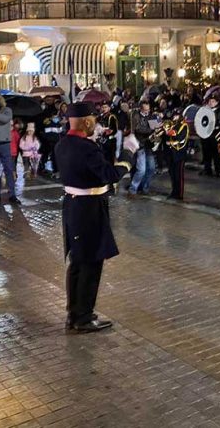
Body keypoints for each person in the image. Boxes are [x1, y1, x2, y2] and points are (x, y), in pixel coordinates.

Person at [54, 102, 131, 334]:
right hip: (89, 208)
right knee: (91, 262)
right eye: (94, 121)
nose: (96, 125)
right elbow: (107, 174)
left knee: (77, 262)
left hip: (74, 206)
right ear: (87, 121)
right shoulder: (86, 148)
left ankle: (74, 312)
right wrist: (127, 158)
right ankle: (84, 317)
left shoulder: (63, 144)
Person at [128, 99, 158, 195]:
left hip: (149, 145)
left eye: (148, 110)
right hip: (140, 145)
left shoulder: (151, 116)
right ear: (141, 109)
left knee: (152, 168)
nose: (147, 112)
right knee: (141, 170)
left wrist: (157, 129)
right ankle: (133, 189)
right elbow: (138, 129)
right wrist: (151, 129)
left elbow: (155, 129)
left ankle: (145, 188)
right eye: (145, 110)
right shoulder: (135, 116)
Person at [164, 107, 190, 200]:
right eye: (174, 115)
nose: (175, 117)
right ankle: (174, 191)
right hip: (171, 153)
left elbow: (180, 137)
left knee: (179, 175)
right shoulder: (172, 124)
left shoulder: (184, 126)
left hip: (179, 153)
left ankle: (179, 194)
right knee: (172, 173)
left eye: (177, 115)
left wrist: (170, 133)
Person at [201, 95, 220, 177]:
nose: (211, 103)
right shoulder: (206, 110)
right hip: (206, 136)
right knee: (206, 154)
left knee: (216, 155)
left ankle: (218, 170)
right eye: (210, 101)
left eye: (213, 101)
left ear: (217, 102)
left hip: (215, 136)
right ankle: (207, 170)